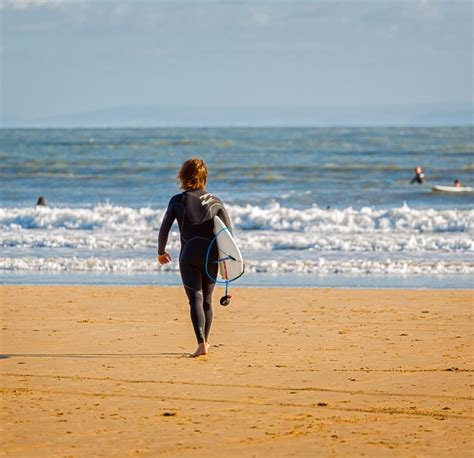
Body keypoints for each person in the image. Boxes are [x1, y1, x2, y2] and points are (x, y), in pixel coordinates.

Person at [157, 158, 232, 357]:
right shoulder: (216, 202)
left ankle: (201, 344)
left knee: (195, 300)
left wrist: (161, 251)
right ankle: (205, 342)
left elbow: (164, 228)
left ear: (183, 176)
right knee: (207, 301)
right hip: (211, 257)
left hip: (189, 256)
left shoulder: (177, 201)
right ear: (204, 177)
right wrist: (228, 263)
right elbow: (228, 235)